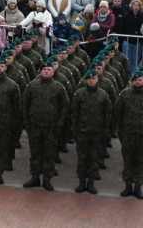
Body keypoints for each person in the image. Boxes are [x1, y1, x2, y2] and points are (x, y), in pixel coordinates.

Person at [22, 61, 68, 190]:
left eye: (49, 69)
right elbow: (25, 105)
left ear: (53, 72)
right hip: (35, 126)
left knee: (49, 153)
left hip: (50, 127)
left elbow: (64, 106)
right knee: (35, 153)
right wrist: (27, 123)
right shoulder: (32, 86)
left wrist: (59, 125)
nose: (46, 71)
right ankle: (35, 177)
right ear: (40, 71)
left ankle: (47, 179)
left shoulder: (58, 87)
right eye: (44, 69)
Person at [71, 68, 112, 194]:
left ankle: (91, 183)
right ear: (86, 80)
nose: (91, 81)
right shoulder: (79, 94)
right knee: (83, 158)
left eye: (93, 78)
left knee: (94, 159)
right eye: (89, 79)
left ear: (97, 79)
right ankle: (82, 182)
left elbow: (108, 115)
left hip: (97, 132)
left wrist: (105, 132)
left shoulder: (103, 95)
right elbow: (74, 113)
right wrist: (75, 130)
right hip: (82, 132)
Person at [112, 68, 143, 198]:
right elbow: (117, 114)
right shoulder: (125, 94)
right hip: (128, 135)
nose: (137, 82)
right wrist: (120, 132)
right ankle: (128, 185)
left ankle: (138, 187)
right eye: (135, 80)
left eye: (140, 80)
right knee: (128, 161)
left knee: (140, 162)